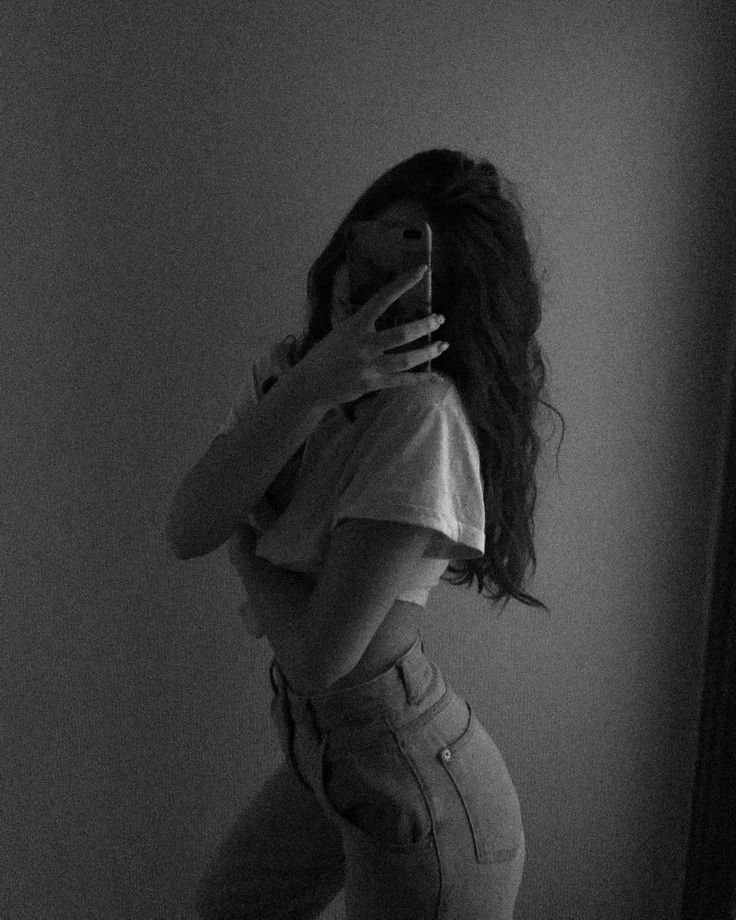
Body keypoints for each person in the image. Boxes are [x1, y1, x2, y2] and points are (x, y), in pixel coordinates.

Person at [167, 148, 563, 919]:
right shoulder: (287, 375)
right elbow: (187, 527)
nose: (368, 273)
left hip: (415, 780)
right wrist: (313, 386)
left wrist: (245, 536)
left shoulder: (423, 419)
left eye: (404, 263)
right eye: (368, 241)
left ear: (447, 297)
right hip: (323, 755)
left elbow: (320, 656)